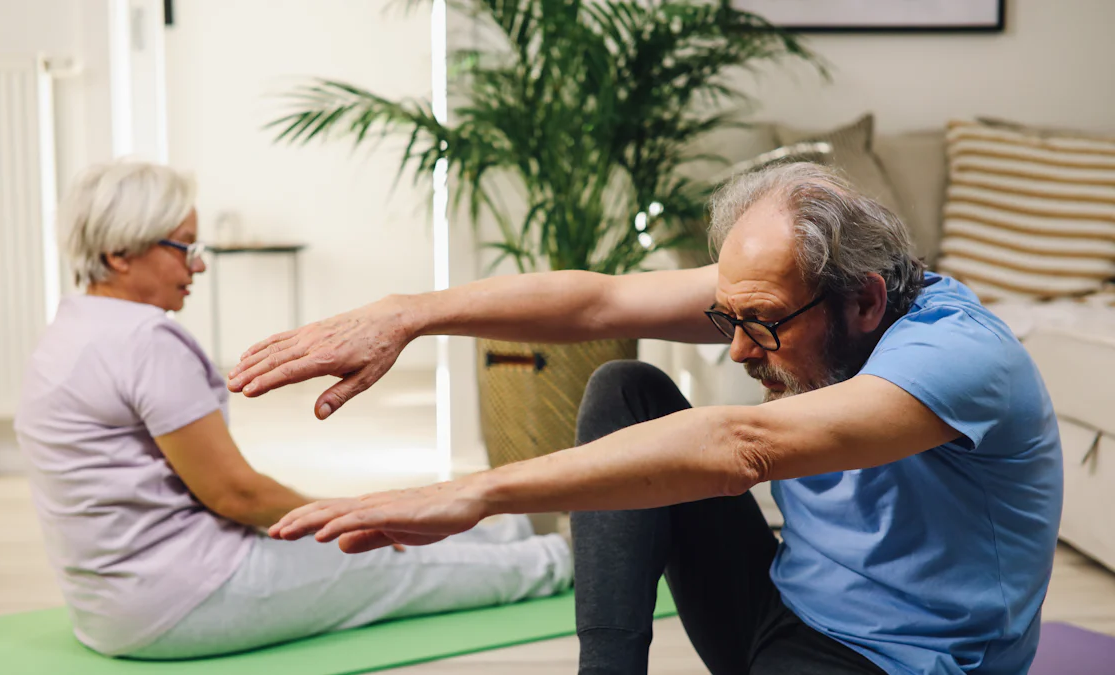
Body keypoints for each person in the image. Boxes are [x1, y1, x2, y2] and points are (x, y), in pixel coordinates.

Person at [228, 162, 1063, 675]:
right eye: (728, 317)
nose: (740, 350)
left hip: (899, 660)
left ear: (866, 299)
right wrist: (405, 313)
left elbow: (741, 445)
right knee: (626, 385)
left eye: (761, 324)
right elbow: (598, 298)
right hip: (775, 608)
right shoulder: (799, 299)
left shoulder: (959, 358)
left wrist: (473, 494)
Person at [13, 160, 572, 660]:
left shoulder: (69, 330)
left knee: (384, 528)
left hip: (110, 609)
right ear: (120, 252)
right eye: (184, 248)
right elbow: (237, 495)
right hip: (181, 601)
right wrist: (349, 517)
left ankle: (517, 530)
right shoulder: (146, 342)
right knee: (384, 561)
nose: (198, 267)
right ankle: (568, 561)